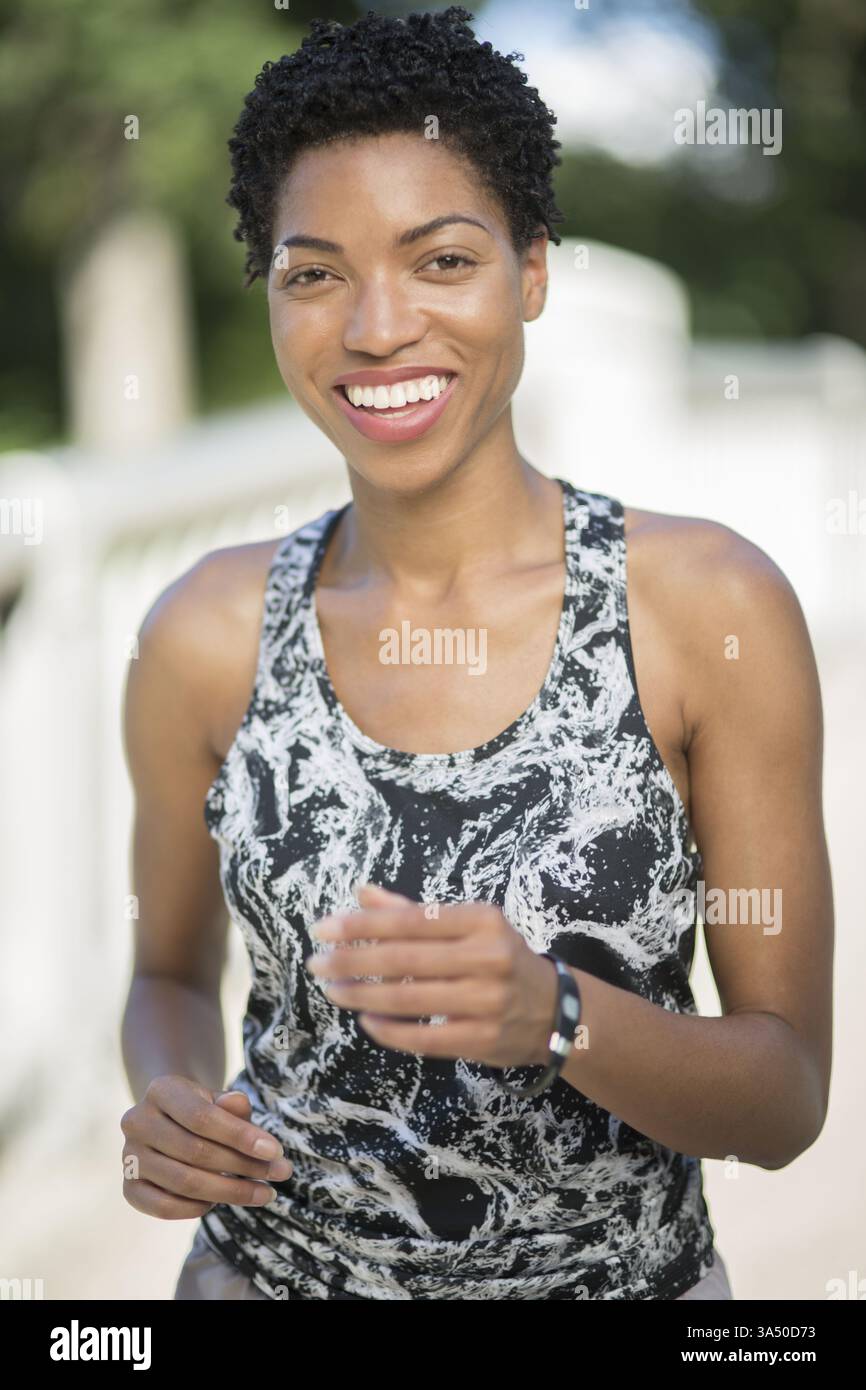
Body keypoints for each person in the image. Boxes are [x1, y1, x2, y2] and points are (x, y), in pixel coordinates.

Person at [120, 7, 833, 1301]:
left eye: (440, 259)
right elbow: (168, 971)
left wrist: (553, 1015)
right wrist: (170, 1094)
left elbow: (782, 1097)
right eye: (315, 272)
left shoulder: (703, 608)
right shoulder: (204, 630)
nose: (378, 328)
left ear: (533, 271)